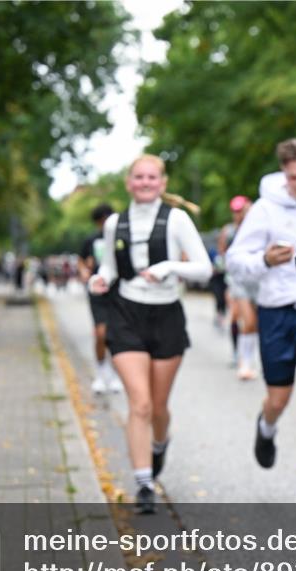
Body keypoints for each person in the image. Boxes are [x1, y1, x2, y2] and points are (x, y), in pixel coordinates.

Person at [88, 155, 211, 514]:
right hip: (126, 315)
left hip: (167, 316)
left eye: (151, 177)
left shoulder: (177, 219)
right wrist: (101, 279)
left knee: (158, 407)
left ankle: (159, 444)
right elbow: (109, 266)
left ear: (162, 183)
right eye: (138, 177)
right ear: (129, 182)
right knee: (139, 403)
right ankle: (144, 483)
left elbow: (204, 269)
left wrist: (169, 267)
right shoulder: (115, 223)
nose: (144, 183)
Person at [226, 138, 296, 514]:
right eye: (293, 178)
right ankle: (267, 426)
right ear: (283, 173)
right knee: (279, 398)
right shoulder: (265, 209)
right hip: (278, 313)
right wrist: (264, 260)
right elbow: (234, 261)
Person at [79, 203, 123, 395]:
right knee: (101, 334)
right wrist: (84, 271)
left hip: (119, 291)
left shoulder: (121, 238)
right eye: (101, 221)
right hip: (98, 291)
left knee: (117, 334)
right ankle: (100, 373)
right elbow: (81, 260)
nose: (105, 224)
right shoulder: (91, 240)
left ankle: (114, 375)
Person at [220, 195, 260, 380]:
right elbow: (223, 254)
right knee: (246, 320)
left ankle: (250, 357)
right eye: (235, 211)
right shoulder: (228, 231)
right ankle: (243, 361)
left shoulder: (258, 227)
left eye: (242, 210)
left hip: (258, 279)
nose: (239, 214)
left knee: (257, 323)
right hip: (237, 280)